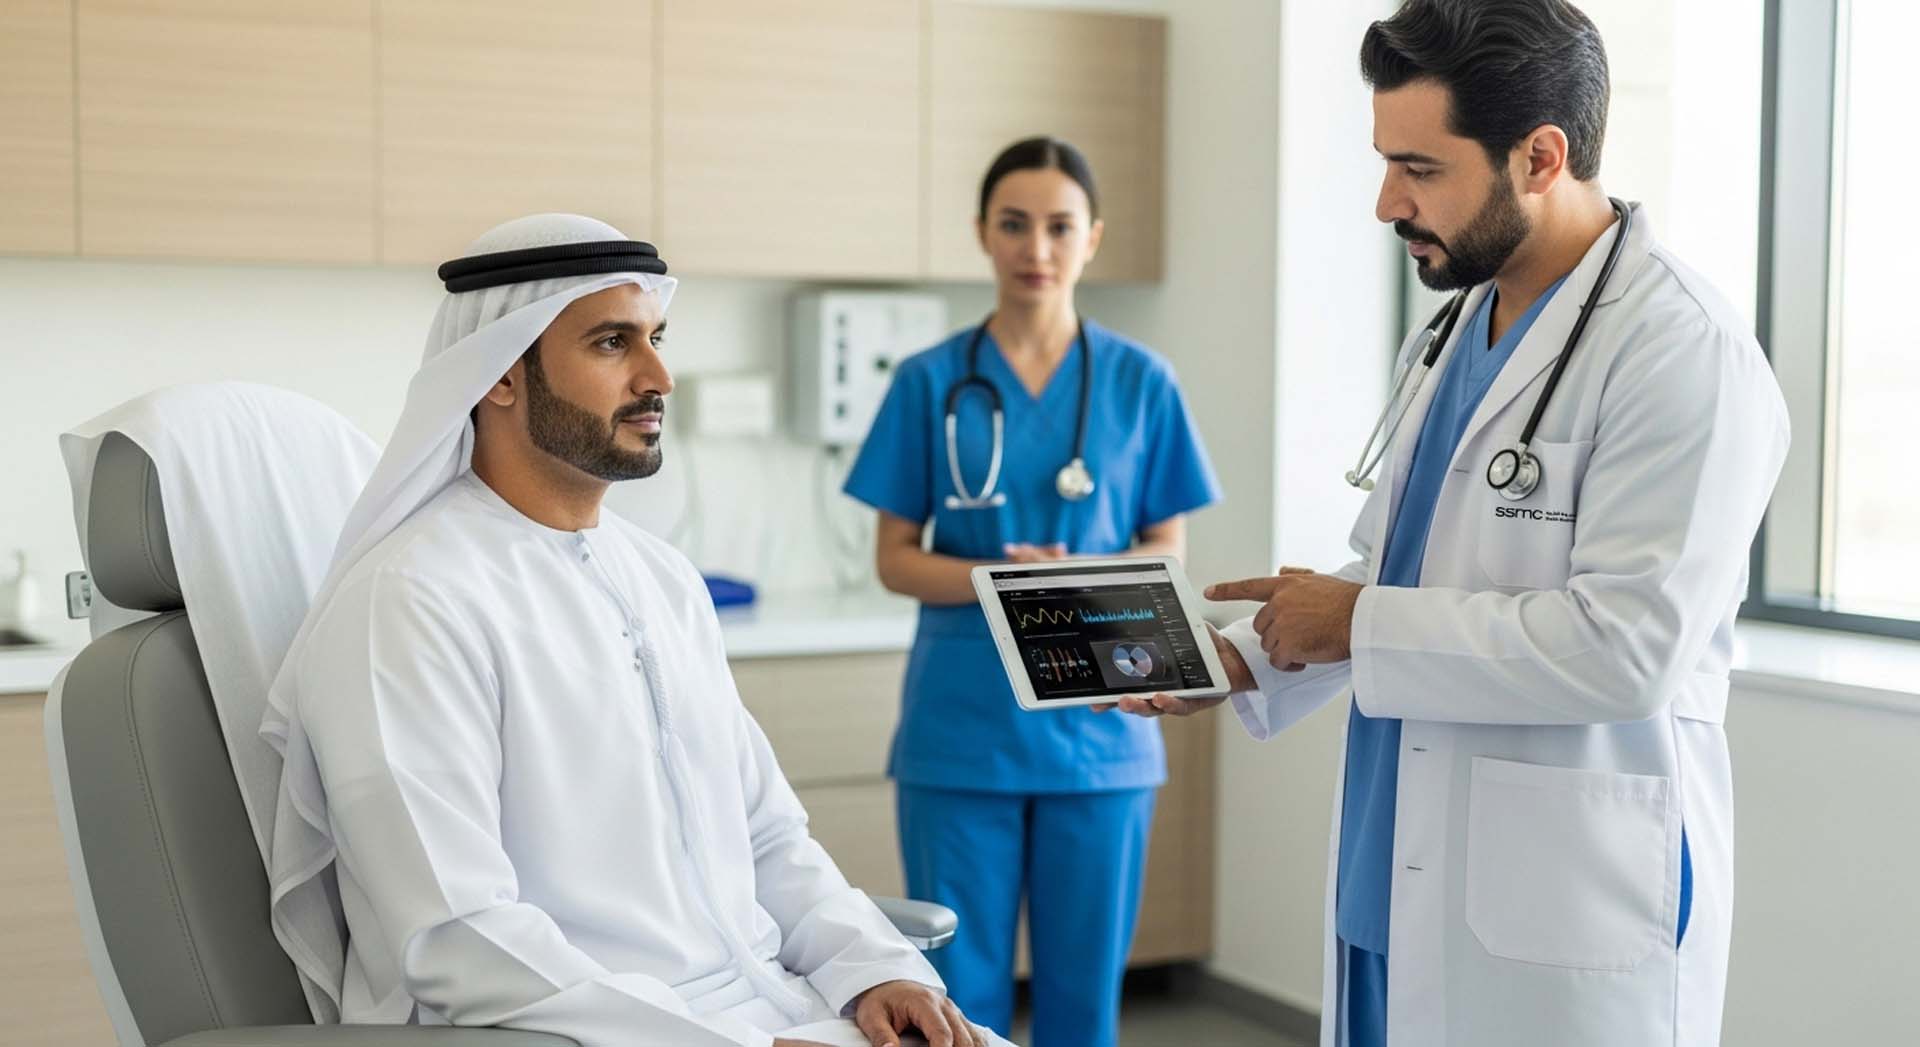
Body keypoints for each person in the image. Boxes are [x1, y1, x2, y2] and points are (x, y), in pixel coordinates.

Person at [1109, 3, 1788, 1045]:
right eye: (1386, 162)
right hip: (1396, 881)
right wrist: (1239, 659)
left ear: (1540, 156)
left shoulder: (1678, 351)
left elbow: (1627, 651)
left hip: (1555, 903)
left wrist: (1353, 623)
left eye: (1421, 168)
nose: (1388, 201)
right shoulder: (1453, 329)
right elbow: (1393, 571)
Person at [260, 213, 1004, 1047]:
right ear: (501, 375)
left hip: (775, 1008)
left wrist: (876, 967)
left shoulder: (662, 579)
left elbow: (764, 834)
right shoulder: (408, 602)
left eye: (656, 337)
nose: (659, 376)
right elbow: (455, 936)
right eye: (613, 343)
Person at [843, 137, 1221, 1047]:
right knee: (954, 998)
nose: (1036, 247)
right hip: (961, 733)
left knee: (1082, 999)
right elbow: (896, 557)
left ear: (1094, 239)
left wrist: (1077, 585)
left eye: (1059, 226)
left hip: (1101, 733)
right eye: (1014, 224)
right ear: (983, 233)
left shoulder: (1142, 381)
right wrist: (1004, 583)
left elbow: (1167, 545)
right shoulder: (930, 380)